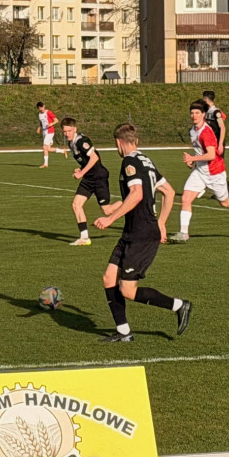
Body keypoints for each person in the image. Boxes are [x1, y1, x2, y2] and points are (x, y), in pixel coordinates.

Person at [93, 123, 192, 343]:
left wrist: (110, 218)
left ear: (119, 142)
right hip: (133, 231)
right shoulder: (146, 161)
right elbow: (168, 191)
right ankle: (124, 332)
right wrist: (163, 222)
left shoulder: (128, 161)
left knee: (127, 290)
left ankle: (179, 305)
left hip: (142, 234)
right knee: (109, 277)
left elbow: (137, 195)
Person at [168, 100, 229, 243]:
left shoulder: (206, 132)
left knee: (225, 202)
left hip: (215, 173)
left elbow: (211, 155)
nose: (193, 115)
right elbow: (200, 152)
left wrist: (193, 158)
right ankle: (183, 233)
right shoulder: (192, 130)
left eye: (197, 113)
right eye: (192, 113)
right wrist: (192, 162)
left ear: (203, 114)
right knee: (185, 198)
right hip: (200, 173)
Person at [61, 118, 119, 246]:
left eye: (69, 131)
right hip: (89, 178)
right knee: (76, 204)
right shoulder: (71, 144)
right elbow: (87, 161)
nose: (67, 134)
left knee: (107, 210)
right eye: (65, 131)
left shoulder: (81, 141)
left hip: (98, 177)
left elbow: (94, 158)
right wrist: (81, 169)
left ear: (75, 129)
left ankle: (132, 203)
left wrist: (81, 173)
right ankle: (84, 237)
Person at [202, 90, 229, 194]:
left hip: (217, 143)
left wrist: (220, 144)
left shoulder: (216, 112)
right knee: (209, 166)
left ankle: (224, 187)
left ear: (206, 99)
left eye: (204, 99)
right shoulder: (207, 112)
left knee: (216, 166)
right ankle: (224, 186)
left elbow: (222, 128)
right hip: (210, 143)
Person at [36, 101, 66, 168]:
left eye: (41, 107)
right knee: (48, 149)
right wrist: (39, 128)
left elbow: (56, 120)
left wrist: (51, 124)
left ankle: (45, 164)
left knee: (44, 147)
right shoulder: (39, 114)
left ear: (44, 106)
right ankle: (62, 151)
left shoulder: (48, 112)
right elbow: (41, 122)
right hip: (44, 132)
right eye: (39, 108)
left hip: (50, 131)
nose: (41, 109)